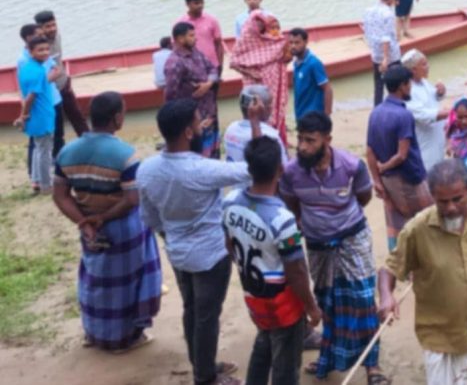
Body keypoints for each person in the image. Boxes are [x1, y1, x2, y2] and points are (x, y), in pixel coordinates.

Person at [138, 98, 251, 385]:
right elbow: (252, 170)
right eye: (199, 122)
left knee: (191, 309)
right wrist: (258, 128)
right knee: (207, 316)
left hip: (177, 253)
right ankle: (205, 376)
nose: (203, 126)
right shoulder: (202, 169)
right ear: (188, 132)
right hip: (211, 255)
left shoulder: (147, 170)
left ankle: (202, 364)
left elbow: (149, 217)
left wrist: (170, 235)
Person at [379, 159, 467, 385]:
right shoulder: (417, 229)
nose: (451, 208)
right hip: (441, 339)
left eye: (457, 199)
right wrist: (386, 296)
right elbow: (388, 269)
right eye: (443, 202)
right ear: (432, 196)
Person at [52, 91, 163, 353]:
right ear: (116, 118)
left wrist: (84, 222)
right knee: (127, 283)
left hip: (89, 228)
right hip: (122, 227)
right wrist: (103, 217)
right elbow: (132, 199)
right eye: (123, 112)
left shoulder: (67, 152)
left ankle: (94, 333)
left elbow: (60, 195)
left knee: (96, 280)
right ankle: (124, 338)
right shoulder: (125, 155)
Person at [280, 112, 387, 384]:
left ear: (327, 139)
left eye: (310, 140)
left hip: (353, 239)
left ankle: (372, 365)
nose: (303, 146)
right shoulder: (291, 171)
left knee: (363, 299)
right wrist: (314, 224)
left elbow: (363, 197)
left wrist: (338, 220)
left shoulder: (351, 166)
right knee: (327, 301)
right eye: (300, 139)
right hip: (317, 245)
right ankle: (328, 358)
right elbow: (291, 205)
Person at [222, 136, 322, 385]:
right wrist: (311, 306)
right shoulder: (282, 219)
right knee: (285, 365)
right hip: (283, 303)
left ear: (249, 168)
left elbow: (229, 245)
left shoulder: (230, 202)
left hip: (253, 294)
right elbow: (296, 271)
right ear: (280, 169)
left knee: (264, 344)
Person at [368, 65, 433, 254]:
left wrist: (377, 179)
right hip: (409, 178)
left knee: (396, 223)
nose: (410, 88)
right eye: (409, 84)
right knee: (427, 222)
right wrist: (383, 168)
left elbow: (370, 150)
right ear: (402, 86)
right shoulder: (404, 115)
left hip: (388, 182)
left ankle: (401, 261)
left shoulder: (376, 112)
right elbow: (402, 155)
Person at [230, 11, 291, 140]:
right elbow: (234, 62)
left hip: (274, 82)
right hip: (253, 84)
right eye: (256, 23)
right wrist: (250, 72)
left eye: (262, 23)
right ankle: (255, 138)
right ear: (250, 24)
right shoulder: (244, 41)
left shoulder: (272, 41)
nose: (259, 26)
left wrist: (285, 48)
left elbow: (286, 58)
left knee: (274, 108)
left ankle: (277, 138)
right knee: (253, 108)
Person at [164, 22, 220, 158]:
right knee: (199, 156)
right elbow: (171, 97)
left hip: (210, 113)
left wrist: (208, 84)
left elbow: (213, 69)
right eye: (191, 35)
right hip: (194, 120)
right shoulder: (174, 63)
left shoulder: (196, 52)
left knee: (213, 153)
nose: (196, 38)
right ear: (180, 39)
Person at [34, 10, 88, 137]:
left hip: (64, 84)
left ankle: (89, 141)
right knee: (56, 125)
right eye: (47, 26)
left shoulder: (57, 36)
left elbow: (58, 60)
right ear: (39, 29)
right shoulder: (36, 47)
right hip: (49, 91)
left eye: (54, 24)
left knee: (77, 117)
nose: (52, 29)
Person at [16, 36, 56, 193]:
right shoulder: (38, 71)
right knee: (45, 151)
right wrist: (23, 116)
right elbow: (30, 97)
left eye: (47, 49)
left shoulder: (26, 68)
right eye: (40, 50)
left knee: (38, 148)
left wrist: (24, 115)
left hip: (36, 116)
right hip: (42, 116)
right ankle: (47, 185)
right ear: (31, 52)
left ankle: (36, 180)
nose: (45, 52)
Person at [402, 49, 448, 170]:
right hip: (425, 140)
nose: (428, 67)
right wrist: (448, 113)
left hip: (437, 135)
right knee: (429, 168)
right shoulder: (409, 90)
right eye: (424, 64)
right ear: (413, 70)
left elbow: (434, 98)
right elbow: (423, 115)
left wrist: (440, 92)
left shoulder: (424, 82)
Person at [223, 85, 290, 165]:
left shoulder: (231, 128)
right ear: (263, 108)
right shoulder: (270, 136)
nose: (272, 107)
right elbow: (283, 167)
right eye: (270, 104)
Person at [362, 0, 401, 107]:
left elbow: (366, 31)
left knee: (378, 86)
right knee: (396, 85)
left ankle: (377, 110)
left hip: (375, 54)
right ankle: (395, 108)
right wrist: (386, 58)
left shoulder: (368, 11)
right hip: (390, 57)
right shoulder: (388, 14)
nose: (395, 1)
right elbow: (386, 38)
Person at [177, 0, 226, 81]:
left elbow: (218, 44)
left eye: (202, 3)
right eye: (196, 3)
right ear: (187, 4)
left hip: (212, 67)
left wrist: (220, 65)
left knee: (213, 90)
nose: (200, 6)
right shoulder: (180, 23)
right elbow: (177, 47)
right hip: (191, 68)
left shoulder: (212, 20)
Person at [288, 27, 332, 120]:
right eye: (291, 43)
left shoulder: (314, 63)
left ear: (305, 42)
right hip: (301, 115)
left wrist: (327, 114)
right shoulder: (296, 63)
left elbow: (327, 88)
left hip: (314, 116)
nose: (293, 46)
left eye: (297, 43)